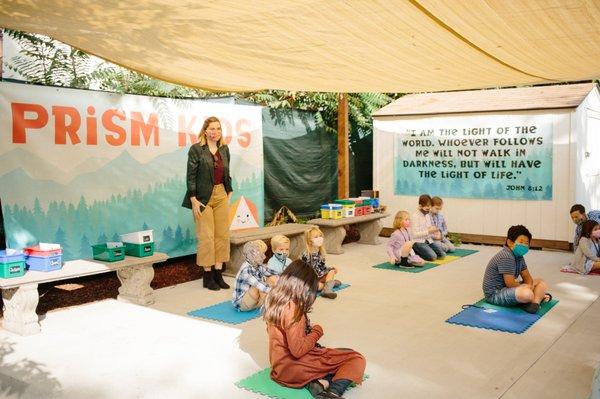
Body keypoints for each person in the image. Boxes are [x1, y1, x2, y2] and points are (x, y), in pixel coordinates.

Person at [264, 260, 366, 399]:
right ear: (304, 287)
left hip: (279, 369)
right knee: (355, 358)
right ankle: (333, 392)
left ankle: (319, 383)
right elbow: (297, 350)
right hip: (295, 369)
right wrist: (316, 332)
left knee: (337, 355)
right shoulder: (293, 309)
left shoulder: (274, 301)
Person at [182, 116, 233, 291]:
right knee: (206, 236)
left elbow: (227, 172)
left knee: (222, 235)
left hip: (221, 194)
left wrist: (229, 190)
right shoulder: (196, 149)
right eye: (212, 128)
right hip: (202, 197)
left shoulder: (224, 149)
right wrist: (193, 198)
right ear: (205, 131)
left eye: (218, 128)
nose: (215, 132)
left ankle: (218, 273)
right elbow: (191, 175)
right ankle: (207, 275)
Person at [482, 225, 549, 314]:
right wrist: (528, 288)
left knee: (541, 282)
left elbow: (526, 276)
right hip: (495, 294)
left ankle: (534, 304)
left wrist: (529, 285)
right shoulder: (506, 256)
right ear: (510, 242)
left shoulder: (519, 256)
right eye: (521, 242)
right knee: (527, 294)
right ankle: (533, 299)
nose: (524, 245)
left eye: (527, 243)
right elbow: (510, 283)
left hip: (509, 288)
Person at [232, 240, 277, 311]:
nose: (264, 257)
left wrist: (286, 277)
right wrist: (276, 292)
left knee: (273, 278)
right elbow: (258, 284)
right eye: (262, 254)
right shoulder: (246, 270)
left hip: (255, 302)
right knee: (257, 287)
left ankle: (266, 303)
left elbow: (272, 272)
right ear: (252, 255)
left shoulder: (257, 265)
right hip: (242, 304)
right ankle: (269, 302)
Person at [301, 227, 340, 299]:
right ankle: (330, 284)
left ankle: (327, 289)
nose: (319, 238)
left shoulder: (319, 252)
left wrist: (331, 269)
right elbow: (307, 271)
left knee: (331, 271)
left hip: (319, 276)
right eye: (316, 237)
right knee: (317, 286)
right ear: (310, 241)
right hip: (311, 279)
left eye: (320, 236)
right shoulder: (307, 255)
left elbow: (322, 267)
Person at [410, 194, 446, 261]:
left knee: (442, 255)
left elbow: (429, 228)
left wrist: (434, 231)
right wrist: (428, 231)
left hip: (428, 240)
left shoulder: (427, 215)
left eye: (429, 209)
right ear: (420, 206)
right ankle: (414, 251)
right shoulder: (415, 216)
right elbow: (414, 234)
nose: (428, 211)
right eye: (426, 209)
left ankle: (424, 250)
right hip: (418, 241)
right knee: (433, 257)